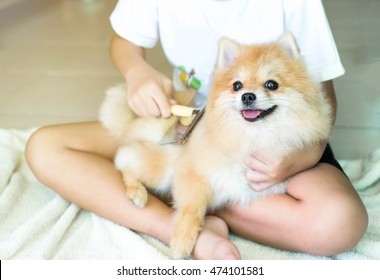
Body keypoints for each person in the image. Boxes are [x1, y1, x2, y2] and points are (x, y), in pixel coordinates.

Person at [25, 0, 368, 260]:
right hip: (182, 127)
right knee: (44, 148)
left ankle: (192, 197)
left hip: (275, 140)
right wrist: (136, 73)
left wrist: (300, 157)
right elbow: (123, 43)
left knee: (340, 222)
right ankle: (182, 225)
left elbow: (322, 94)